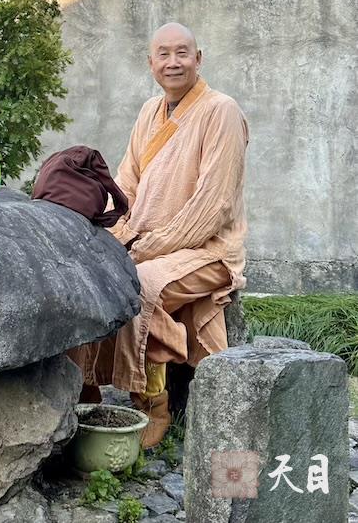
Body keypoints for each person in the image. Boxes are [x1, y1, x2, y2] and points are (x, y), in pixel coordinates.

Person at [69, 22, 248, 447]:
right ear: (151, 63)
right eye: (163, 54)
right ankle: (85, 388)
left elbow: (214, 204)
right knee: (90, 271)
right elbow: (126, 182)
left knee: (140, 286)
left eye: (182, 53)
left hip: (207, 248)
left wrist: (148, 248)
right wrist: (110, 234)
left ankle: (152, 400)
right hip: (146, 241)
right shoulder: (150, 111)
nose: (173, 62)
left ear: (198, 59)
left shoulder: (221, 111)